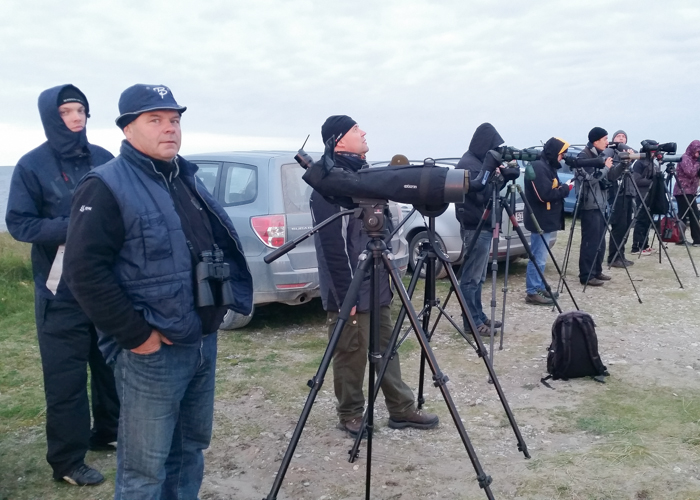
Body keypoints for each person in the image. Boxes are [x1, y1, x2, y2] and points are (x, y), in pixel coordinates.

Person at [62, 84, 253, 499]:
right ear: (128, 129)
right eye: (156, 120)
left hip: (201, 340)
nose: (170, 129)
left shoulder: (185, 178)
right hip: (154, 352)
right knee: (144, 470)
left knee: (188, 451)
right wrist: (136, 336)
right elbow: (83, 272)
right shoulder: (105, 185)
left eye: (175, 120)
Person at [5, 84, 119, 486]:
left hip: (104, 285)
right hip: (59, 290)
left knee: (108, 366)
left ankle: (108, 432)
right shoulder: (31, 165)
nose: (75, 118)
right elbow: (19, 223)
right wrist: (73, 228)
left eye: (81, 110)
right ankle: (68, 463)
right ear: (52, 117)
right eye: (67, 111)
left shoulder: (105, 159)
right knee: (65, 378)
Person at [310, 115, 439, 438]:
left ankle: (401, 408)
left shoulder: (365, 178)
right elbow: (333, 248)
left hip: (378, 282)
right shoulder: (330, 186)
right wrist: (345, 296)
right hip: (350, 287)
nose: (364, 132)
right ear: (339, 139)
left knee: (388, 347)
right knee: (350, 352)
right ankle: (350, 413)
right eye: (356, 129)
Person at [454, 123, 504, 335]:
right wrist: (496, 175)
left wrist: (501, 178)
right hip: (475, 226)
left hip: (483, 225)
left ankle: (479, 316)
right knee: (471, 279)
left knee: (479, 277)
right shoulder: (469, 165)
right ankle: (472, 323)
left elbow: (490, 191)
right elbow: (481, 194)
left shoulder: (478, 162)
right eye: (494, 146)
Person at [523, 137, 571, 305]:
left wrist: (561, 188)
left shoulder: (547, 166)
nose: (562, 157)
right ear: (554, 152)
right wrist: (565, 189)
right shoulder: (538, 167)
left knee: (541, 256)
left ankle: (539, 286)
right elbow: (544, 195)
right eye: (561, 154)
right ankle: (532, 291)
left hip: (546, 218)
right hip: (540, 219)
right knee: (538, 256)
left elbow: (550, 189)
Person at [576, 127, 614, 286]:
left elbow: (609, 177)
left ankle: (597, 271)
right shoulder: (584, 156)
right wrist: (605, 167)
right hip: (589, 205)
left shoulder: (600, 155)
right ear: (596, 140)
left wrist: (621, 166)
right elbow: (591, 179)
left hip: (600, 204)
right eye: (605, 139)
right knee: (590, 242)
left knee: (600, 241)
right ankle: (587, 275)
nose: (607, 142)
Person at [606, 130, 636, 267]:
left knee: (626, 226)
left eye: (624, 137)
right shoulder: (611, 153)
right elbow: (612, 174)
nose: (621, 138)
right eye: (619, 136)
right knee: (618, 226)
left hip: (627, 193)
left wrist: (631, 158)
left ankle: (621, 255)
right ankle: (614, 257)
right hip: (616, 193)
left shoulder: (628, 155)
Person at [672, 140, 700, 246]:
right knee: (683, 215)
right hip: (682, 191)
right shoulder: (685, 158)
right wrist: (698, 163)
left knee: (694, 215)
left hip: (691, 191)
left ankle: (697, 240)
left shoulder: (695, 160)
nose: (698, 154)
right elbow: (691, 172)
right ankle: (679, 239)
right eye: (697, 151)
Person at [630, 153, 659, 255]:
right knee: (641, 220)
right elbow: (637, 180)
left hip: (651, 196)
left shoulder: (653, 163)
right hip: (642, 196)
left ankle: (644, 245)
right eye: (654, 150)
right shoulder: (639, 163)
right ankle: (637, 247)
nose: (656, 153)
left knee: (647, 221)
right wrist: (653, 181)